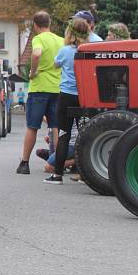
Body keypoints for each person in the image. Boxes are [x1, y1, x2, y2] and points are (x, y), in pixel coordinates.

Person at [17, 11, 63, 174]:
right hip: (57, 88)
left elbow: (36, 54)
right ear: (49, 23)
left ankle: (24, 163)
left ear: (35, 25)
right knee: (56, 126)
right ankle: (58, 162)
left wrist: (33, 72)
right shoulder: (61, 40)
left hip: (39, 88)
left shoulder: (38, 39)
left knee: (32, 126)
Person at [45, 17, 90, 184]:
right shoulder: (88, 50)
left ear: (69, 32)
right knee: (84, 135)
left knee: (64, 134)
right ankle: (83, 173)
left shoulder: (65, 51)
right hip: (84, 96)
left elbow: (56, 65)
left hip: (66, 96)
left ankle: (57, 175)